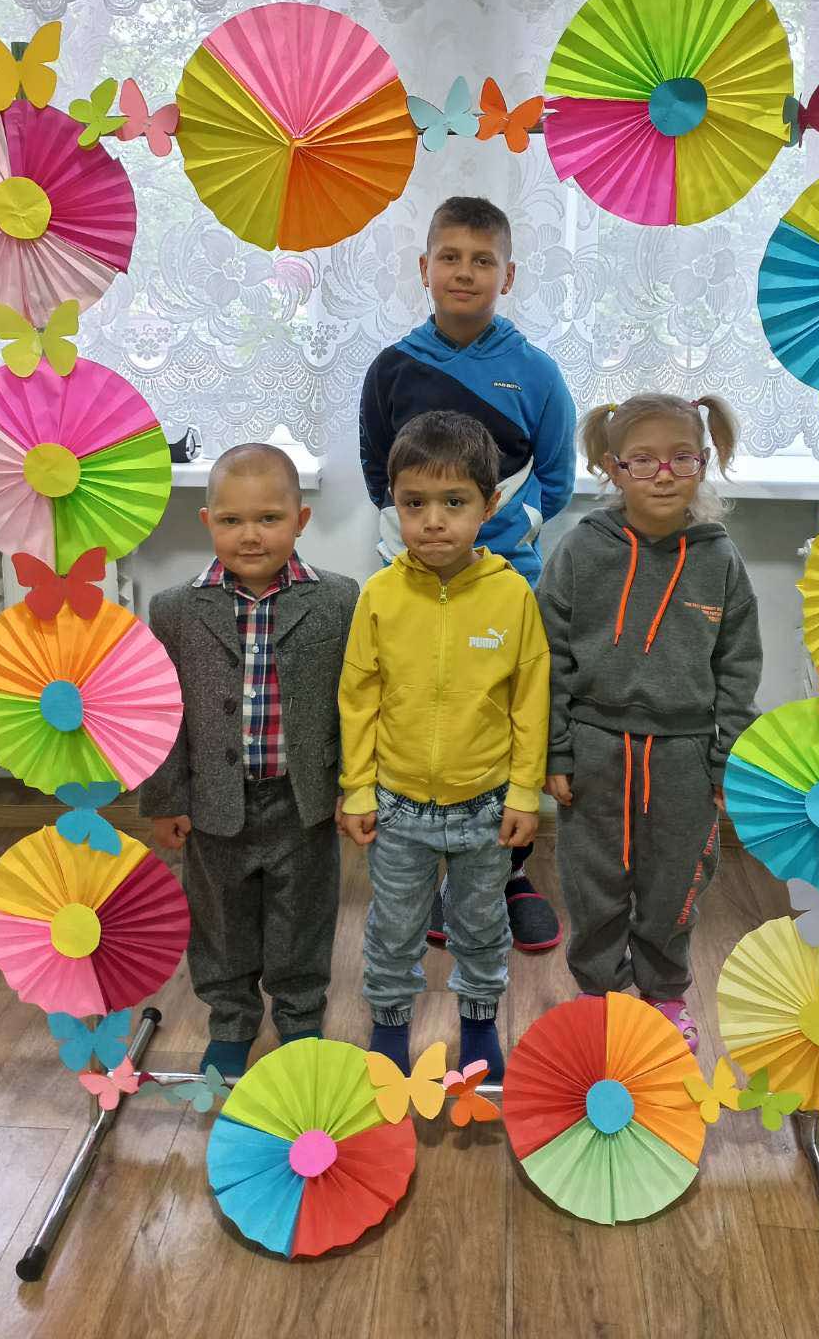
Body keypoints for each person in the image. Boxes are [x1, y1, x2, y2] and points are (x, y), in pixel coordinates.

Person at [358, 195, 574, 953]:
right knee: (420, 711)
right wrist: (423, 540)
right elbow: (378, 475)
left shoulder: (536, 373)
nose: (464, 272)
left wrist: (500, 538)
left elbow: (557, 478)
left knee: (500, 715)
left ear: (507, 276)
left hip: (506, 579)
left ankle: (505, 872)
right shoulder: (391, 369)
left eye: (483, 260)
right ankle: (420, 866)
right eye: (449, 257)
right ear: (424, 267)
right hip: (411, 581)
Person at [537, 394, 762, 1050]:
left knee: (675, 885)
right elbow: (548, 655)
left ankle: (664, 995)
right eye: (643, 460)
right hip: (594, 748)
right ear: (614, 469)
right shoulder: (581, 550)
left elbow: (738, 665)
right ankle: (599, 994)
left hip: (685, 757)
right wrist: (556, 750)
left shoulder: (720, 559)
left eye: (681, 458)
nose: (664, 474)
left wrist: (726, 759)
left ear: (704, 462)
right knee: (594, 884)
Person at [338, 411, 551, 1080]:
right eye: (414, 504)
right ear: (393, 506)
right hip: (397, 807)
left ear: (490, 505)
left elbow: (530, 701)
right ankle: (390, 1028)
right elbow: (358, 698)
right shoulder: (379, 596)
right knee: (393, 928)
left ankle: (480, 1024)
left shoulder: (513, 596)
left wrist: (525, 793)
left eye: (454, 503)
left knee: (481, 926)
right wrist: (357, 788)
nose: (433, 521)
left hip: (486, 807)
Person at [140, 444, 358, 1078]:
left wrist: (355, 788)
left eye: (269, 518)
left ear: (301, 520)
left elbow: (356, 702)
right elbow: (163, 713)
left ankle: (300, 1016)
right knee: (220, 920)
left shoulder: (339, 601)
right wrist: (166, 800)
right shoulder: (174, 610)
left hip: (303, 801)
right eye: (232, 520)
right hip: (215, 801)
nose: (251, 535)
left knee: (303, 915)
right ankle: (232, 1019)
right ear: (207, 521)